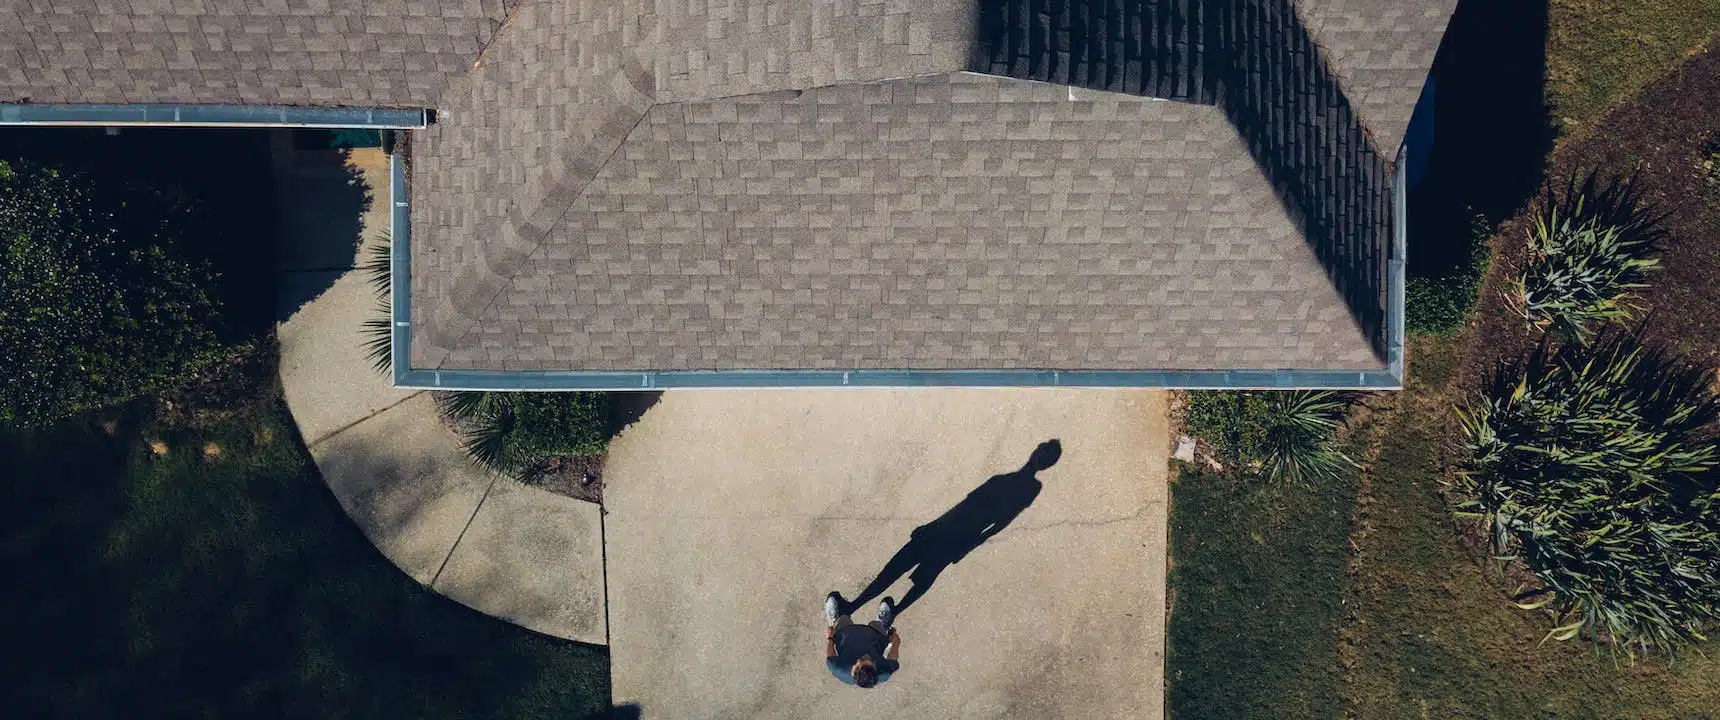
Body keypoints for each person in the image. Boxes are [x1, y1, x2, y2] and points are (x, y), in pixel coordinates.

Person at [824, 591, 899, 688]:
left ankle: (838, 616)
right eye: (871, 660)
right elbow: (893, 659)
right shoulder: (884, 673)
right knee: (877, 625)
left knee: (843, 619)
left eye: (862, 659)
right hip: (875, 637)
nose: (866, 656)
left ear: (853, 670)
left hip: (845, 635)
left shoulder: (839, 669)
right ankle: (883, 623)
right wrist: (896, 642)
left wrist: (830, 638)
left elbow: (830, 657)